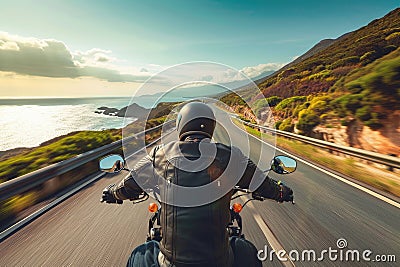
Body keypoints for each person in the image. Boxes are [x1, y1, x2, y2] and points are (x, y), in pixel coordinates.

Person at [101, 102, 294, 267]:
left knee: (138, 254)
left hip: (169, 263)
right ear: (211, 127)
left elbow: (130, 184)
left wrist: (112, 192)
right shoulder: (232, 156)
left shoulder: (159, 155)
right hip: (220, 261)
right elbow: (262, 183)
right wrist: (281, 192)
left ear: (181, 125)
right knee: (249, 252)